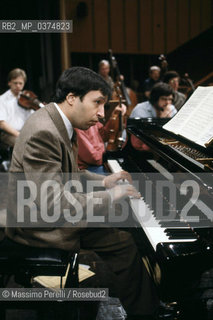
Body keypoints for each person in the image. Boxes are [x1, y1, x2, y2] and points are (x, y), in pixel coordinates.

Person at [6, 67, 159, 319]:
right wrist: (111, 196)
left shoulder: (58, 120)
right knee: (124, 242)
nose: (101, 115)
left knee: (124, 232)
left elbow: (67, 174)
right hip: (36, 226)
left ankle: (140, 306)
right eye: (97, 103)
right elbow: (52, 204)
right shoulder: (45, 131)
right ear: (71, 98)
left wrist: (104, 181)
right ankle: (143, 311)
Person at [76, 104, 126, 174]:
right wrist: (108, 155)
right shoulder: (78, 125)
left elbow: (105, 135)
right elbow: (93, 158)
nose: (102, 114)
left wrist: (115, 115)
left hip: (99, 161)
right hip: (87, 168)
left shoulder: (92, 119)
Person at [130, 82, 177, 151]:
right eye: (164, 99)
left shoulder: (172, 109)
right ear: (155, 98)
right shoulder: (140, 109)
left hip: (164, 149)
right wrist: (162, 120)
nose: (167, 103)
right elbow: (142, 140)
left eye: (170, 99)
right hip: (142, 149)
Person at [0, 68, 33, 147]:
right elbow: (2, 123)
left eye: (20, 83)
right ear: (9, 83)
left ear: (24, 84)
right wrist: (19, 134)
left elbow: (32, 118)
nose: (18, 86)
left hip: (25, 132)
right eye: (15, 83)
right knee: (24, 144)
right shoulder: (2, 99)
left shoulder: (26, 98)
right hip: (8, 134)